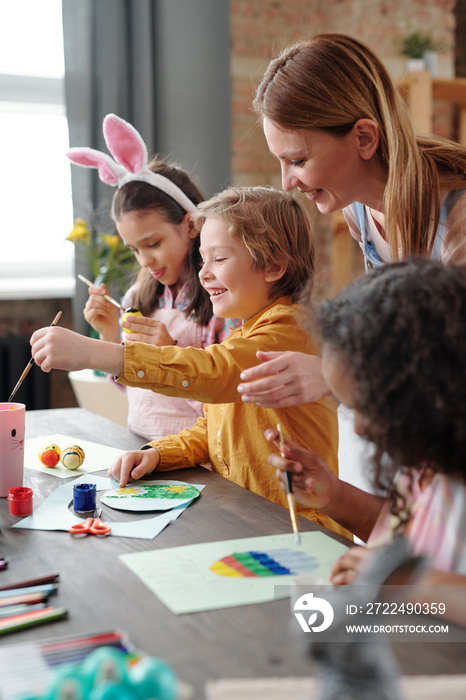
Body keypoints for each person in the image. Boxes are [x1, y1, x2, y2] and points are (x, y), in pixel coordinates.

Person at [31, 185, 350, 537]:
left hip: (302, 530)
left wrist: (94, 353)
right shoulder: (243, 332)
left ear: (273, 265)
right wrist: (159, 454)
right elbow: (212, 425)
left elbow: (214, 373)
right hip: (253, 520)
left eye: (220, 259)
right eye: (203, 259)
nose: (203, 273)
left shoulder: (291, 329)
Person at [237, 33, 466, 409]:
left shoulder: (457, 217)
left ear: (363, 138)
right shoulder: (357, 209)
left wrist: (333, 376)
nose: (287, 183)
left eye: (297, 161)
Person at [266, 258, 466, 615]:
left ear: (429, 390)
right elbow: (415, 537)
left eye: (369, 406)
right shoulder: (426, 463)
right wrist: (335, 496)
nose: (359, 428)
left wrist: (410, 581)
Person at [67, 113, 237, 440]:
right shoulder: (137, 300)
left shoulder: (222, 300)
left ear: (190, 225)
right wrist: (108, 336)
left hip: (200, 459)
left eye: (153, 244)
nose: (145, 261)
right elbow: (135, 389)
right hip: (143, 449)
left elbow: (225, 402)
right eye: (134, 250)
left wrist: (170, 352)